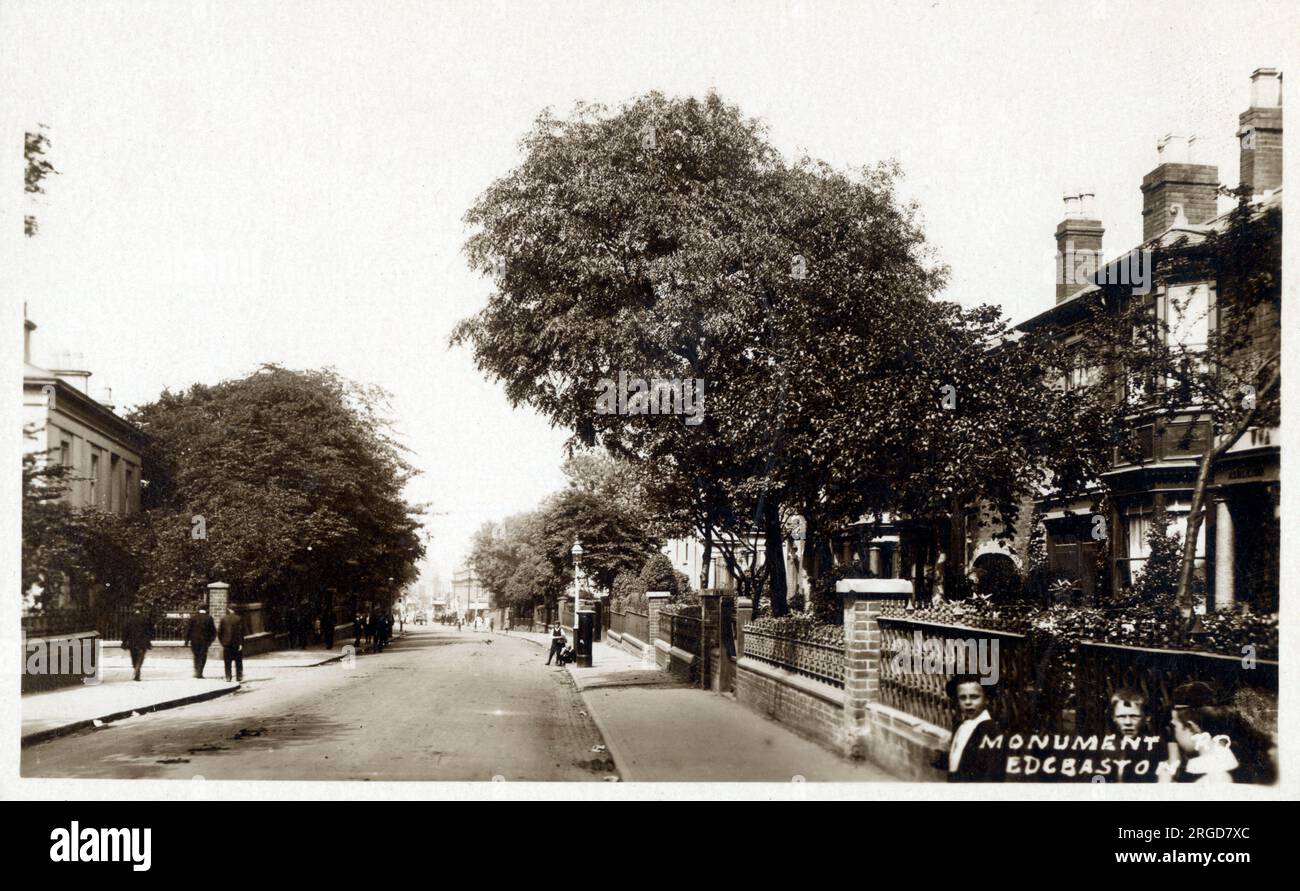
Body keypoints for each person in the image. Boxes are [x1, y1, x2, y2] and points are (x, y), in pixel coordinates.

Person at [1168, 681, 1275, 784]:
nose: (1175, 735)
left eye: (1175, 726)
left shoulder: (1210, 780)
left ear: (1192, 728)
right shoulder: (1237, 766)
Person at [933, 674, 1006, 782]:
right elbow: (962, 759)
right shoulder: (961, 725)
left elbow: (991, 773)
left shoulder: (990, 731)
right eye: (962, 697)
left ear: (986, 699)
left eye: (974, 697)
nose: (968, 702)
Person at [1106, 688, 1172, 783]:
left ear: (1147, 717)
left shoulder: (1156, 750)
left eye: (1134, 716)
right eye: (1121, 716)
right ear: (1113, 718)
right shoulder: (1106, 748)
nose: (1127, 722)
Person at [183, 604, 217, 679]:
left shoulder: (193, 617)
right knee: (203, 655)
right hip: (205, 641)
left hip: (194, 640)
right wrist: (211, 640)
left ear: (199, 609)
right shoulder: (209, 618)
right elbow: (213, 631)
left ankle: (196, 670)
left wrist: (186, 640)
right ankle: (200, 672)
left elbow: (188, 629)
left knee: (196, 655)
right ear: (206, 609)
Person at [121, 607, 153, 682]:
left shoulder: (129, 620)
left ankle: (136, 670)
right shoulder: (146, 620)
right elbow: (150, 631)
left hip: (132, 642)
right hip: (143, 642)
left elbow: (125, 632)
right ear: (141, 610)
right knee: (140, 657)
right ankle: (137, 670)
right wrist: (149, 640)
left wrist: (124, 641)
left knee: (134, 657)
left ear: (133, 610)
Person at [218, 606, 245, 683]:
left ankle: (228, 677)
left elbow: (219, 632)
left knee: (227, 661)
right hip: (236, 643)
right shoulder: (239, 618)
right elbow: (241, 632)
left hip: (226, 644)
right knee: (238, 661)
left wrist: (222, 642)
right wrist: (241, 643)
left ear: (229, 610)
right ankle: (239, 677)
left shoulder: (223, 619)